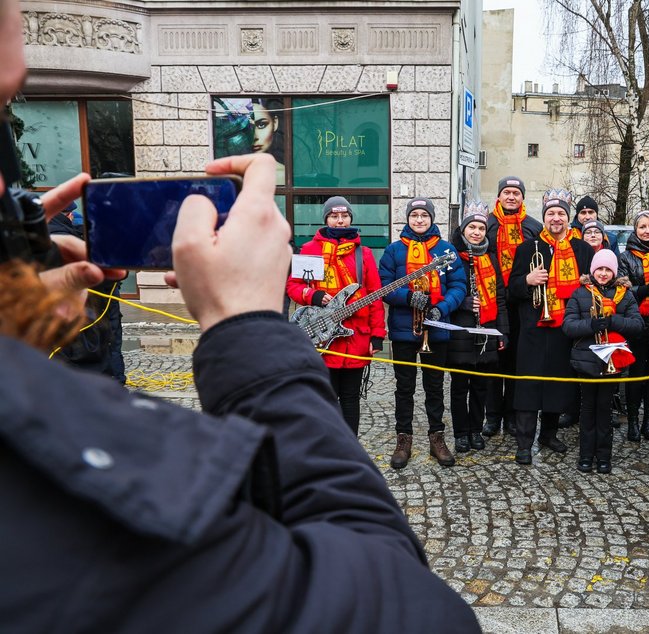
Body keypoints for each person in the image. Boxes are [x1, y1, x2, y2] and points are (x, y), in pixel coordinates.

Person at [1, 9, 479, 622]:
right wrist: (247, 322)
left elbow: (377, 290)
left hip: (354, 344)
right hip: (311, 345)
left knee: (357, 403)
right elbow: (415, 607)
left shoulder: (371, 252)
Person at [507, 192, 595, 464]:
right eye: (550, 214)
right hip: (534, 328)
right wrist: (528, 280)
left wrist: (587, 282)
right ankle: (524, 443)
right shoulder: (527, 248)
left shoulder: (583, 250)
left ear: (568, 219)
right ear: (544, 218)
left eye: (561, 214)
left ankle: (548, 434)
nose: (556, 218)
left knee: (558, 384)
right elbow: (511, 289)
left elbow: (596, 287)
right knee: (529, 385)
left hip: (565, 327)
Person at [285, 196, 385, 434]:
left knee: (351, 398)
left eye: (344, 216)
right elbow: (293, 287)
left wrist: (377, 335)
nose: (340, 221)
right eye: (334, 216)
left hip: (355, 337)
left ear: (350, 218)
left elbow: (375, 296)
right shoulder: (310, 250)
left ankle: (350, 447)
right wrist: (314, 296)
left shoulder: (365, 254)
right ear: (326, 219)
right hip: (320, 337)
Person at [379, 197, 466, 469]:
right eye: (414, 215)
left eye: (424, 215)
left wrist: (442, 308)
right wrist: (408, 297)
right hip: (404, 330)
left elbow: (459, 285)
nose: (419, 220)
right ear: (408, 219)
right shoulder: (394, 251)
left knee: (435, 387)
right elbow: (385, 285)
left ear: (431, 218)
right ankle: (403, 439)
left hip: (436, 329)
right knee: (404, 388)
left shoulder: (445, 249)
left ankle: (436, 437)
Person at [562, 249, 643, 474]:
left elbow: (637, 326)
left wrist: (613, 321)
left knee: (605, 410)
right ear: (593, 271)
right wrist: (591, 326)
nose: (604, 273)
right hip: (586, 360)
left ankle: (604, 456)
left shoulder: (624, 294)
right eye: (600, 269)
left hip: (612, 361)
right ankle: (586, 455)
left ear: (614, 272)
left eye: (608, 269)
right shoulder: (580, 293)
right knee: (587, 410)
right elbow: (568, 326)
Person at [447, 202, 509, 453]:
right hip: (461, 330)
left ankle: (475, 429)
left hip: (487, 329)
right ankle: (461, 433)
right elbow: (445, 293)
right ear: (463, 230)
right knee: (460, 387)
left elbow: (500, 298)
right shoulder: (452, 257)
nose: (476, 232)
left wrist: (503, 331)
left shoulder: (491, 258)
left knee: (481, 387)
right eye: (471, 227)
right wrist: (462, 303)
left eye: (481, 228)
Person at [484, 176, 542, 437]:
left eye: (515, 193)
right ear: (499, 196)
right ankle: (492, 416)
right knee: (494, 362)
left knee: (518, 362)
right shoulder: (486, 224)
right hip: (494, 301)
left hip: (524, 302)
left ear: (522, 197)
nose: (510, 197)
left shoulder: (533, 226)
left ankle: (512, 415)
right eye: (506, 192)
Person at [46, 202, 127, 384]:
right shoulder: (66, 238)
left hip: (87, 310)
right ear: (66, 215)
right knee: (102, 342)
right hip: (89, 311)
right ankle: (113, 383)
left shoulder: (54, 234)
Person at [618, 210, 649, 442]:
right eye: (642, 227)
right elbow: (624, 293)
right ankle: (633, 421)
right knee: (636, 373)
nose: (647, 231)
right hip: (636, 322)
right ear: (635, 231)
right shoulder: (626, 257)